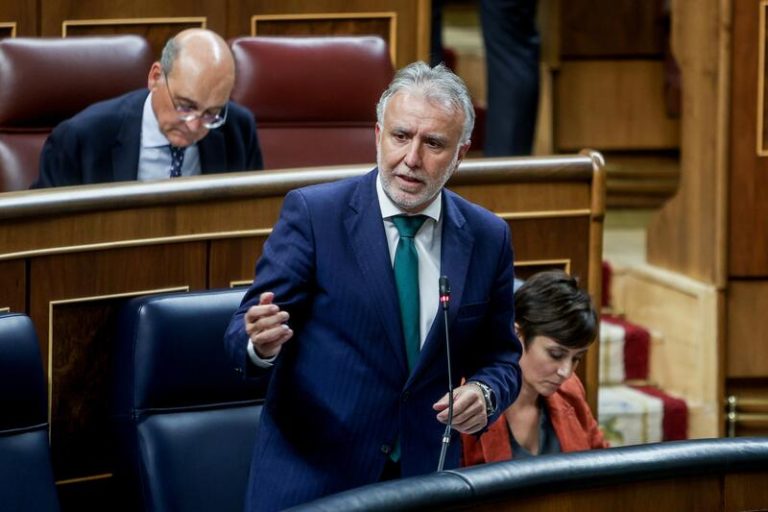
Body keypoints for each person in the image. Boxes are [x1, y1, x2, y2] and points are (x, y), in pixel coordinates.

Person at [224, 61, 522, 511]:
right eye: (401, 136)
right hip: (314, 481)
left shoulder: (487, 236)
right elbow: (240, 334)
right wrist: (257, 344)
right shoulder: (314, 215)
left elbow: (502, 358)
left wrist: (486, 393)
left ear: (460, 154)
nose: (412, 158)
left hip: (422, 481)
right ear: (378, 134)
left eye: (433, 143)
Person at [32, 28, 263, 188]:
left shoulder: (238, 131)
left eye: (211, 113)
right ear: (155, 77)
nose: (194, 126)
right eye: (185, 105)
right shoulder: (80, 139)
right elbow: (44, 233)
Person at [463, 270, 607, 464]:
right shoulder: (469, 401)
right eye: (556, 354)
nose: (566, 372)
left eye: (576, 358)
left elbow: (603, 468)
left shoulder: (570, 390)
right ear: (516, 335)